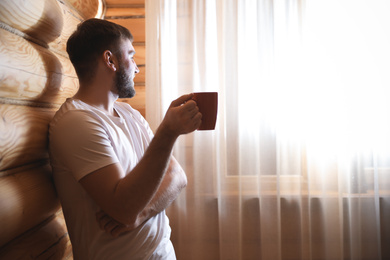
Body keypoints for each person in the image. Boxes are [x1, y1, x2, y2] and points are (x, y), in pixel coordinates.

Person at [49, 18, 202, 259]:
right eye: (130, 55)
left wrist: (142, 214)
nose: (136, 68)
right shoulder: (76, 122)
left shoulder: (130, 114)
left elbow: (177, 177)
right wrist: (168, 131)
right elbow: (123, 209)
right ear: (110, 60)